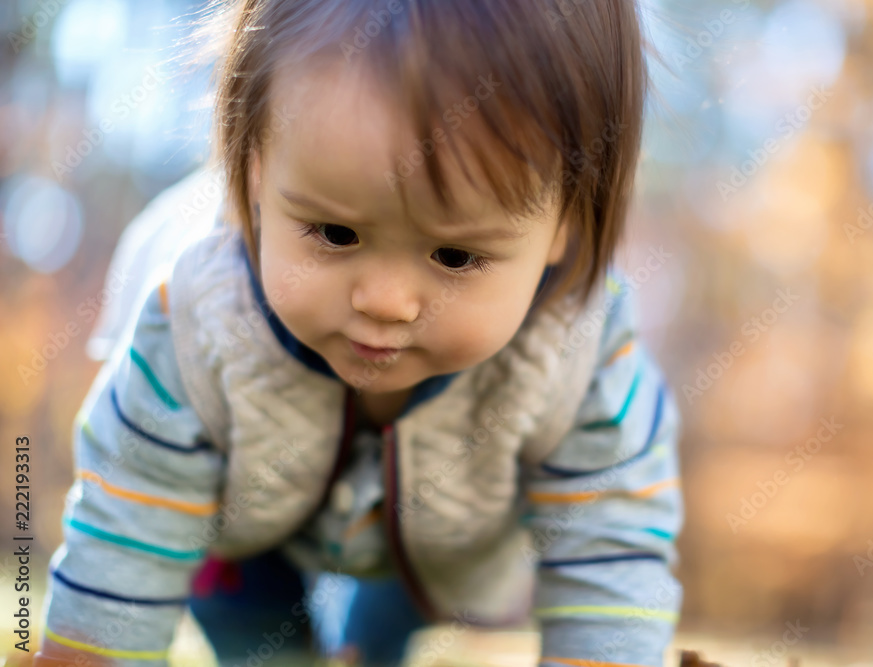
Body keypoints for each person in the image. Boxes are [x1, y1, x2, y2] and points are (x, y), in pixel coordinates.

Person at [32, 0, 684, 665]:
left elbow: (613, 535)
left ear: (567, 222)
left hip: (443, 543)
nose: (386, 302)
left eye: (455, 256)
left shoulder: (582, 350)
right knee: (254, 625)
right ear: (253, 170)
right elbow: (129, 525)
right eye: (337, 234)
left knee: (386, 626)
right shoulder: (195, 320)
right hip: (236, 521)